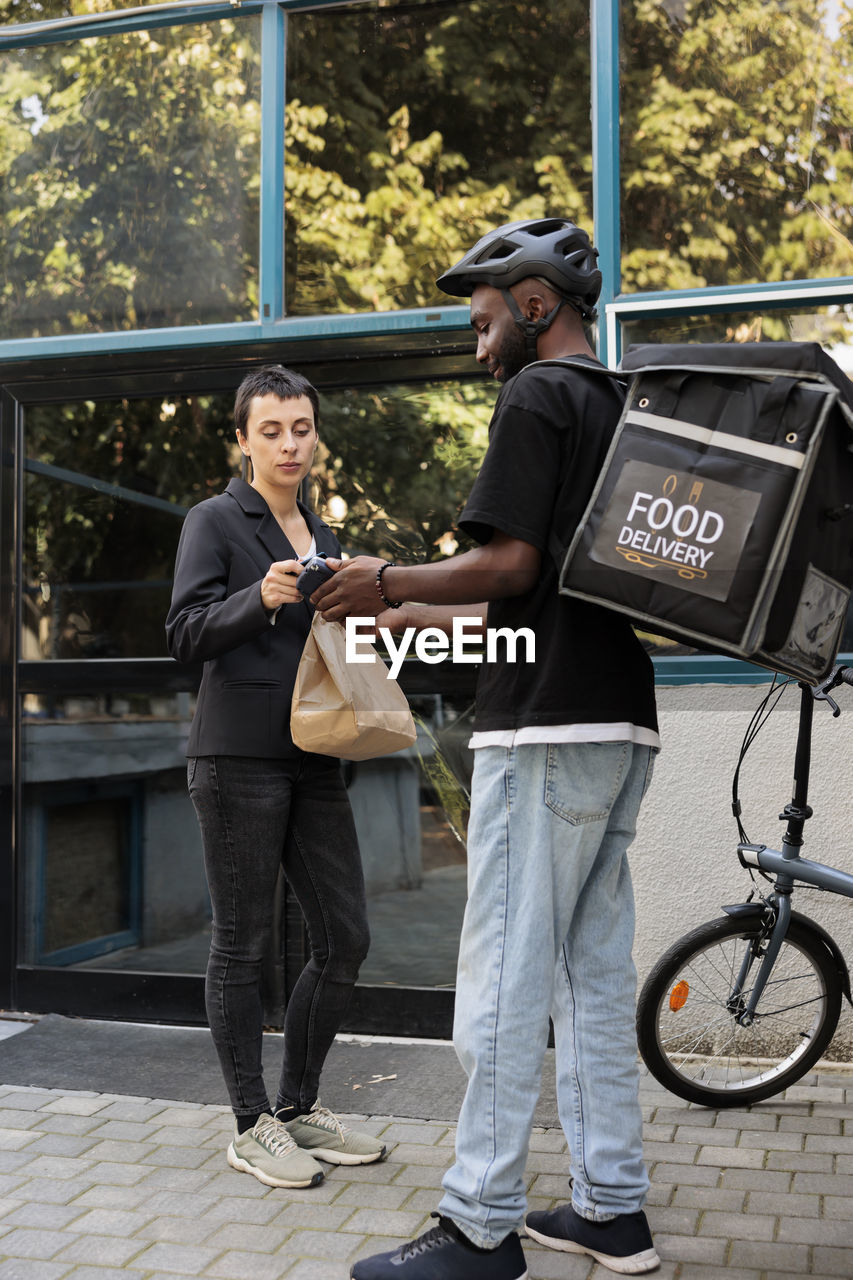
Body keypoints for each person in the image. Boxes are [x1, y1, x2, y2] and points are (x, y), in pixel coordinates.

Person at [313, 219, 661, 1277]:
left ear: (537, 301)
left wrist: (389, 579)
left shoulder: (538, 396)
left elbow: (505, 563)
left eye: (483, 317)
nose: (477, 342)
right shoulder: (620, 404)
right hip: (617, 720)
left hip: (546, 732)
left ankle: (477, 1223)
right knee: (591, 977)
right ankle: (611, 1206)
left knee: (505, 976)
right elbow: (547, 596)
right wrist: (408, 621)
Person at [165, 364, 385, 1191]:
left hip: (315, 757)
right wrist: (256, 598)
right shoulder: (215, 521)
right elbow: (184, 634)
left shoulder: (323, 532)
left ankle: (297, 1107)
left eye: (300, 428)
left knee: (344, 937)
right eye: (271, 430)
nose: (289, 443)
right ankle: (251, 1123)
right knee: (242, 944)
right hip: (235, 760)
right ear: (244, 438)